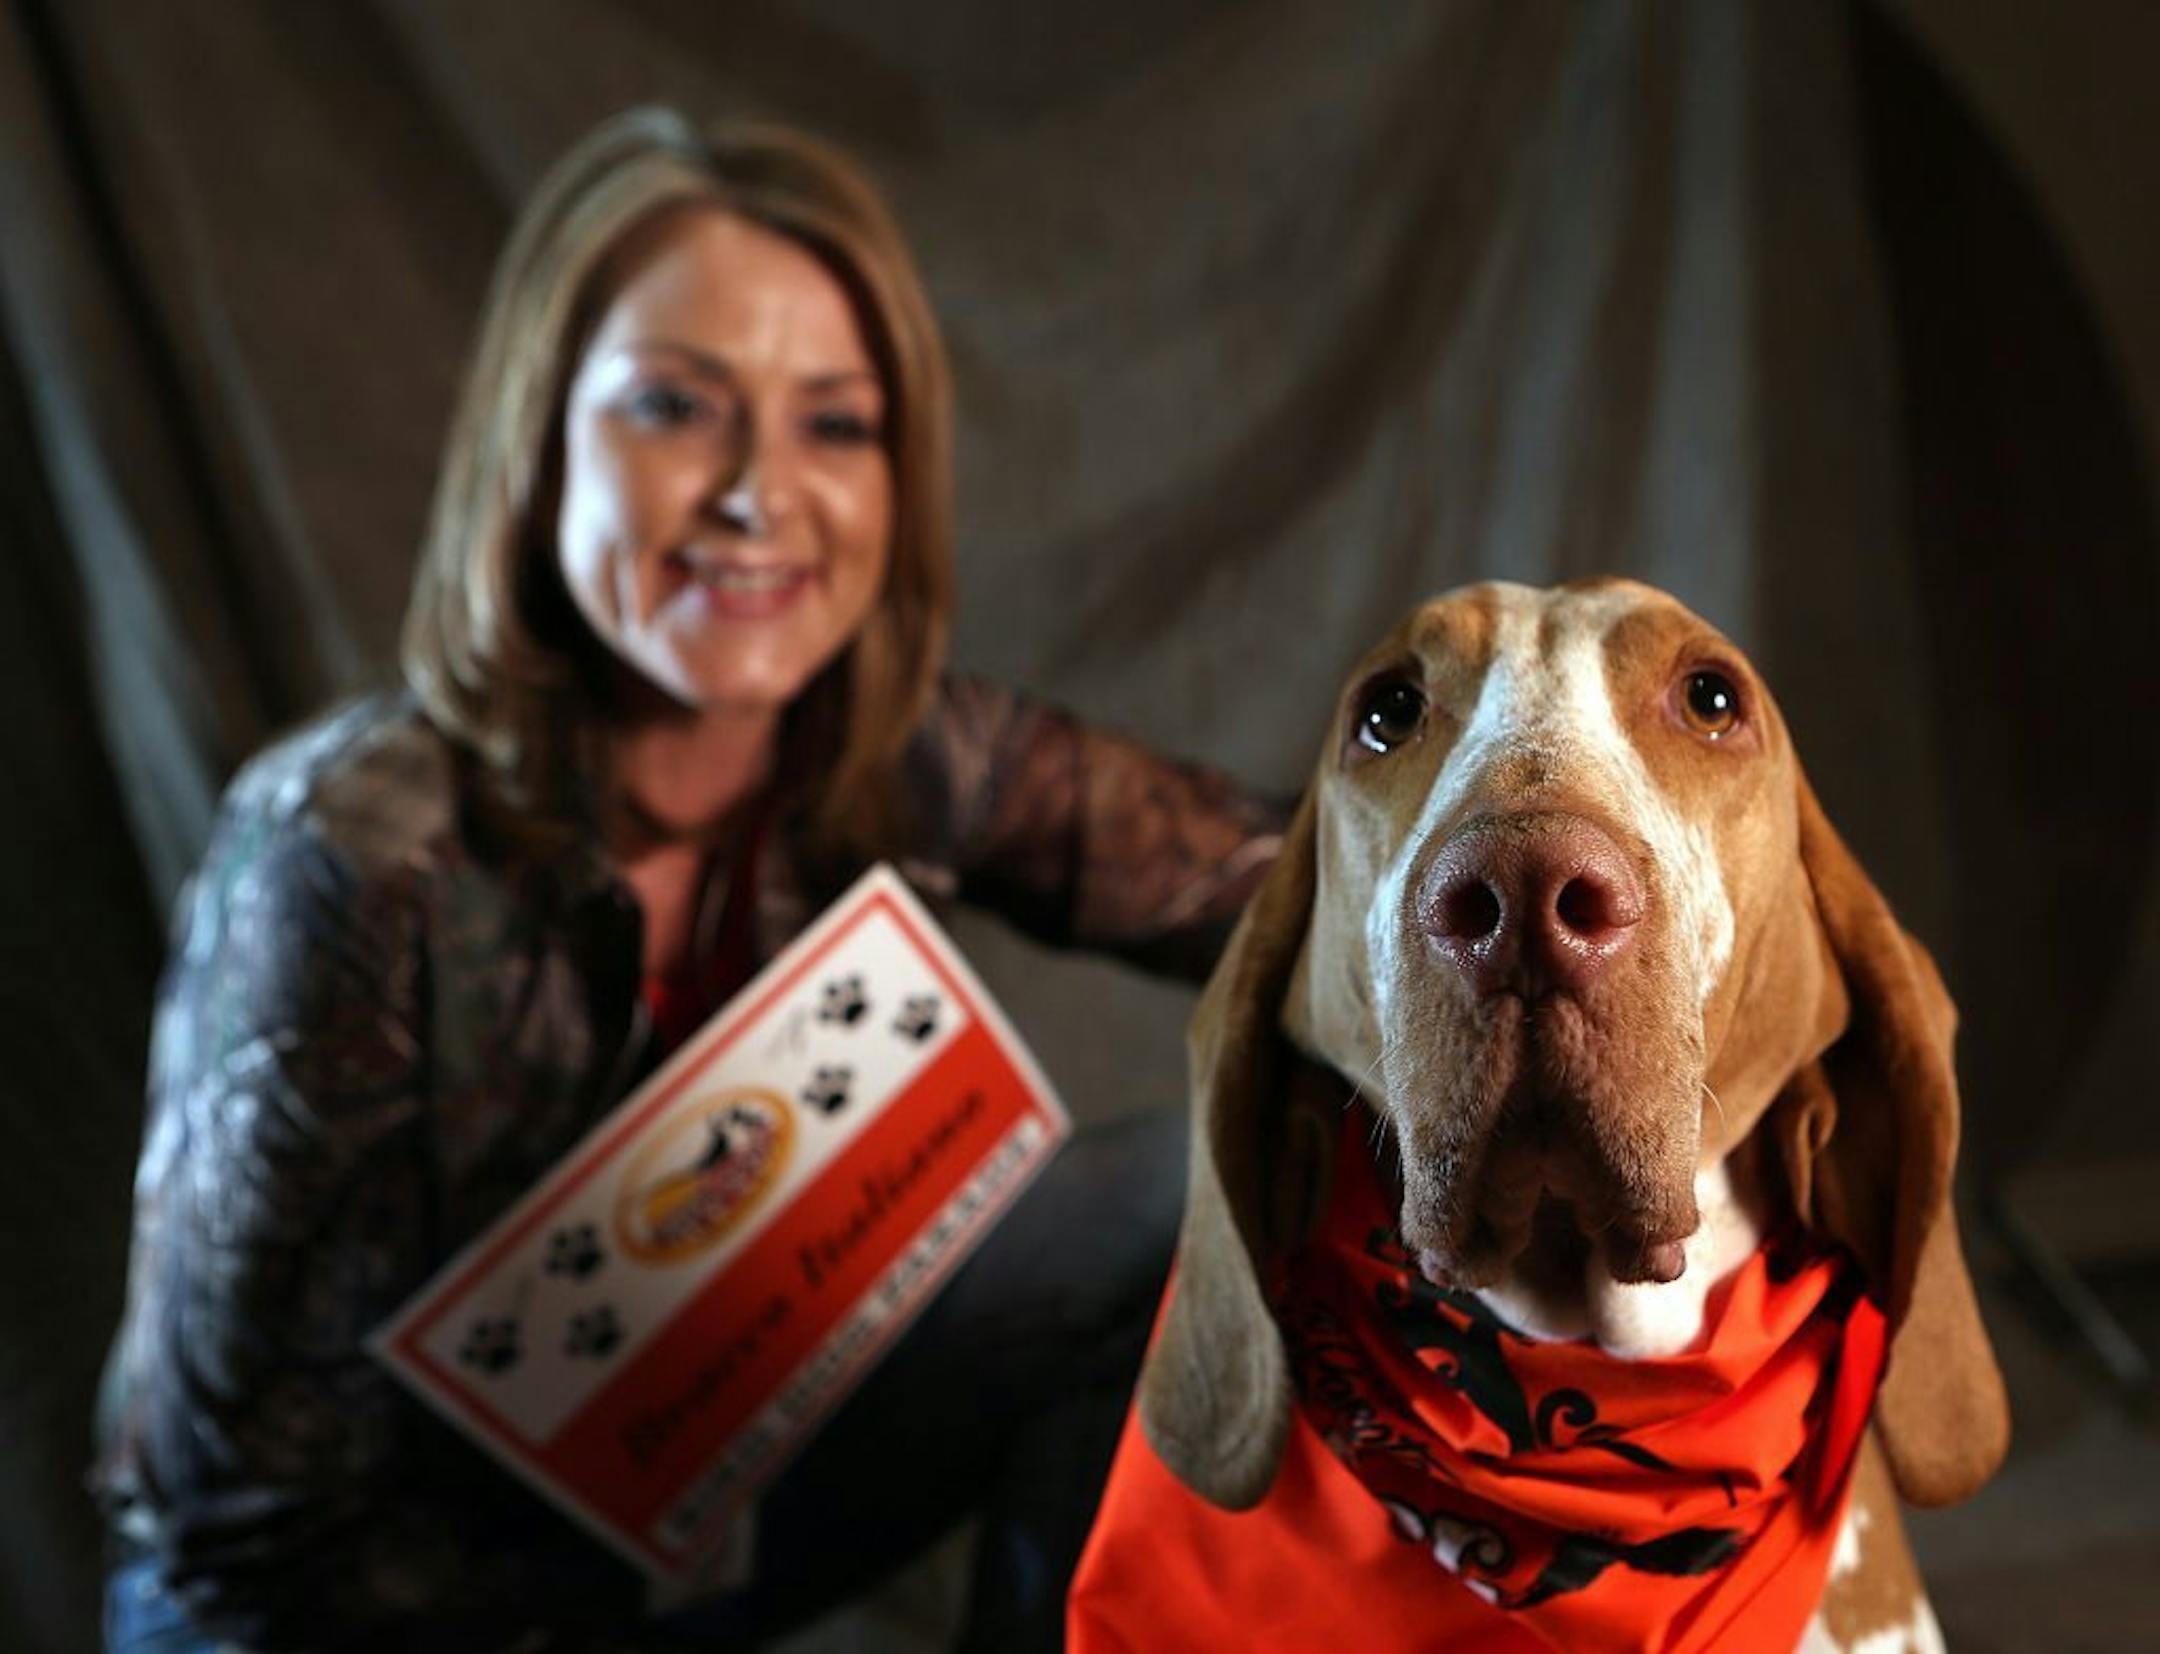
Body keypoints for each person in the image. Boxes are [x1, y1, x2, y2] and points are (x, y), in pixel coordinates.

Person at [93, 107, 1281, 1652]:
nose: (759, 493)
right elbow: (237, 1523)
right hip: (330, 1614)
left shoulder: (907, 753)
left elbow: (1295, 888)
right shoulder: (348, 853)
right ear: (539, 447)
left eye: (834, 425)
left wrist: (1557, 918)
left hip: (675, 1536)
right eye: (675, 406)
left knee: (1188, 1198)